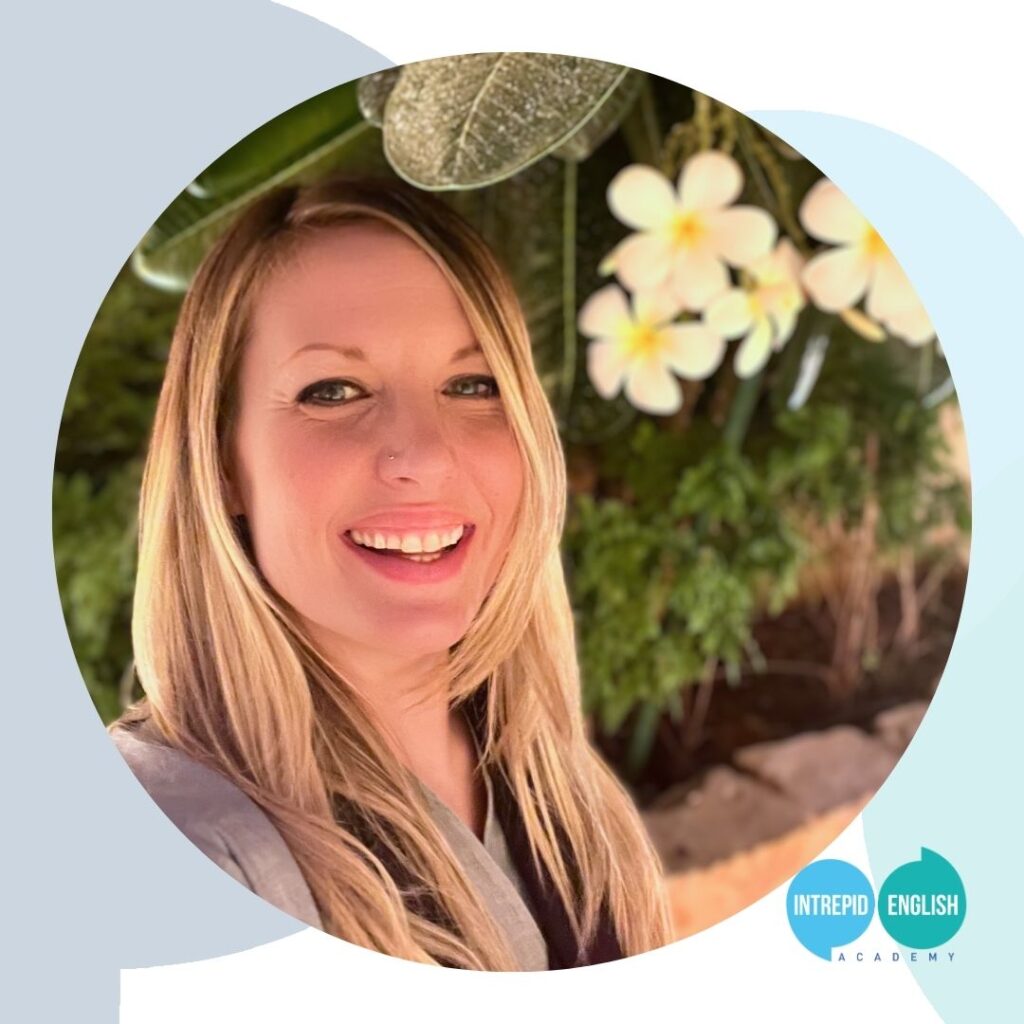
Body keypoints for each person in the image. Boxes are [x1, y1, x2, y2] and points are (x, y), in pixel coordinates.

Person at [108, 174, 675, 971]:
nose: (426, 454)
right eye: (333, 391)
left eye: (472, 385)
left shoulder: (554, 787)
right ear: (222, 462)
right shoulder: (182, 839)